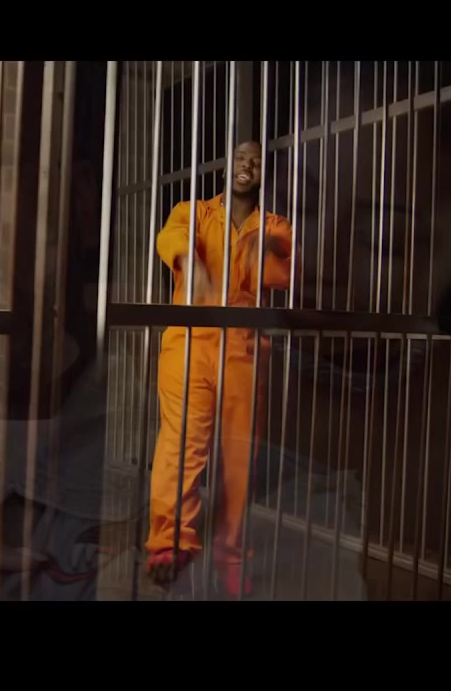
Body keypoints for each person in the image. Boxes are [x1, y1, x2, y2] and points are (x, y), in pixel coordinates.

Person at [145, 140, 294, 596]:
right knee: (181, 446)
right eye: (240, 158)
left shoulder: (275, 225)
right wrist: (189, 259)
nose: (246, 165)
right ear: (226, 168)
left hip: (243, 351)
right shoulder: (193, 212)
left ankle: (230, 554)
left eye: (256, 161)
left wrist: (258, 250)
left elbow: (285, 271)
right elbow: (169, 239)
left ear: (264, 174)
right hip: (189, 346)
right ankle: (169, 543)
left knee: (238, 458)